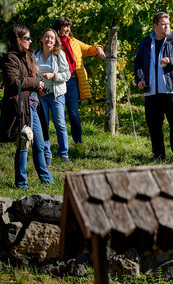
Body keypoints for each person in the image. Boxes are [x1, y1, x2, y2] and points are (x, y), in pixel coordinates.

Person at [1, 25, 55, 188]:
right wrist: (35, 82)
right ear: (18, 39)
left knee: (39, 144)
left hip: (32, 105)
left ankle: (47, 180)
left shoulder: (28, 56)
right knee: (23, 144)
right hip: (20, 107)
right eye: (27, 38)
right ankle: (21, 183)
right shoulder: (9, 57)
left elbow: (29, 79)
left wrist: (38, 87)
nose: (31, 41)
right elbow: (13, 82)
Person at [134, 12, 173, 162]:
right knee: (154, 125)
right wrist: (139, 79)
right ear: (155, 26)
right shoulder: (145, 42)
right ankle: (158, 156)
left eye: (168, 23)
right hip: (151, 90)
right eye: (163, 24)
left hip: (172, 90)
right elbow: (138, 63)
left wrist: (172, 60)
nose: (166, 26)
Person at [52, 17, 106, 145]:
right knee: (58, 114)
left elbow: (87, 49)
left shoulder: (73, 41)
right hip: (57, 81)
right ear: (58, 27)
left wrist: (98, 48)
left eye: (69, 27)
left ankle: (78, 141)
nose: (67, 29)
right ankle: (61, 142)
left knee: (73, 112)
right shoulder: (53, 41)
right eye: (64, 26)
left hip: (72, 81)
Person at [33, 28, 71, 164]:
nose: (49, 40)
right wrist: (34, 73)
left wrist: (53, 75)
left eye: (52, 38)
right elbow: (29, 73)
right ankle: (46, 154)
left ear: (55, 42)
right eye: (47, 37)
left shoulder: (59, 54)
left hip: (56, 94)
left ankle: (64, 154)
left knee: (60, 124)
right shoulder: (35, 54)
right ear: (42, 39)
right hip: (41, 94)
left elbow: (67, 74)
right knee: (43, 125)